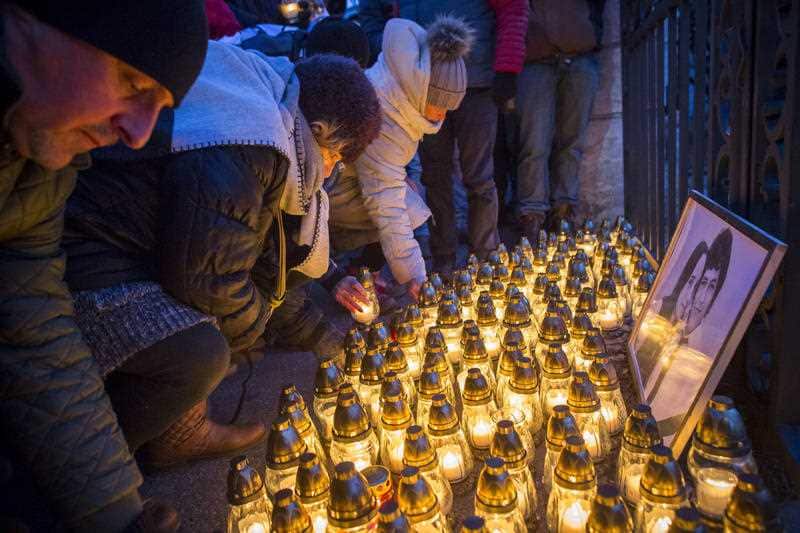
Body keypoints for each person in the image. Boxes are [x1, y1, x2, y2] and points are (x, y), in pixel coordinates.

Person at [63, 47, 381, 470]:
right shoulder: (255, 142)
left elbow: (255, 261)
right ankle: (96, 478)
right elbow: (213, 284)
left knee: (231, 316)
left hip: (125, 237)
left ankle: (178, 425)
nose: (331, 171)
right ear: (320, 130)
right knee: (201, 352)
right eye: (337, 157)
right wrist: (256, 327)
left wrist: (316, 336)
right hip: (83, 255)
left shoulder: (261, 101)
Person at [0, 2, 208, 531]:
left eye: (159, 107)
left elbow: (31, 328)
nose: (139, 133)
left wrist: (117, 515)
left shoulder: (38, 163)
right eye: (131, 79)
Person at [360, 0, 529, 272]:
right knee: (435, 176)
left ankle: (485, 258)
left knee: (480, 177)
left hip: (477, 80)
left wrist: (506, 69)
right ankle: (444, 259)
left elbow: (513, 9)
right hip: (423, 85)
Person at [324, 16, 474, 301]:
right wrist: (415, 277)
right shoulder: (385, 120)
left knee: (409, 197)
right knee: (403, 208)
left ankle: (376, 269)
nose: (442, 116)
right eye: (439, 105)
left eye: (449, 109)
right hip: (325, 191)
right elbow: (386, 203)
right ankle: (359, 274)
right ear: (421, 89)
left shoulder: (399, 95)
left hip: (351, 181)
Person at [516, 0, 607, 239]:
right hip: (535, 56)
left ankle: (564, 213)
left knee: (572, 142)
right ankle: (532, 218)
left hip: (579, 52)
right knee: (534, 144)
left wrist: (593, 31)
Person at [658, 240, 709, 326]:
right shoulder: (657, 308)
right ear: (683, 278)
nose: (689, 297)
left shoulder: (687, 327)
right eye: (690, 282)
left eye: (696, 288)